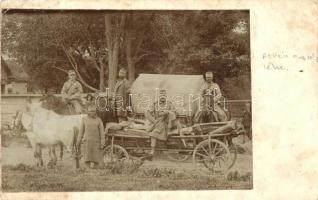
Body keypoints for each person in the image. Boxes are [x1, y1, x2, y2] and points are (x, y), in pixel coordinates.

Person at [145, 89, 178, 160]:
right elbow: (147, 113)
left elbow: (175, 113)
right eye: (161, 95)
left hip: (166, 124)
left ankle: (152, 152)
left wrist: (168, 112)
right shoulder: (155, 104)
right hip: (157, 123)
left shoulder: (169, 104)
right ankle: (152, 151)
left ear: (166, 96)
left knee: (154, 133)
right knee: (153, 132)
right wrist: (153, 121)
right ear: (158, 96)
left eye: (164, 95)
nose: (162, 97)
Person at [76, 104, 104, 169]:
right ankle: (87, 168)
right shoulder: (84, 119)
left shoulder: (98, 120)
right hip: (87, 141)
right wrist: (78, 140)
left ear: (96, 112)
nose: (92, 113)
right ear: (87, 111)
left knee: (96, 159)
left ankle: (96, 168)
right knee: (87, 158)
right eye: (90, 111)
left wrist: (102, 142)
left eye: (94, 111)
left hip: (96, 141)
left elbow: (102, 132)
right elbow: (81, 131)